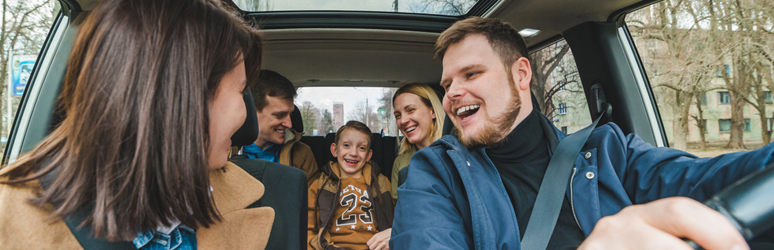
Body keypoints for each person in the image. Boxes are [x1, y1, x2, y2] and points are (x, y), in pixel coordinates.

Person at [390, 16, 774, 250]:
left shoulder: (608, 150)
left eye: (471, 74)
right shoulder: (433, 172)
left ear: (521, 74)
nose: (452, 92)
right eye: (447, 84)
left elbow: (714, 177)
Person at [0, 0, 274, 249]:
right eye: (241, 90)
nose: (245, 114)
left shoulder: (245, 195)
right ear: (182, 97)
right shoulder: (10, 214)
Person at [308, 121, 394, 250]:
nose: (353, 153)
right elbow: (309, 229)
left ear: (368, 155)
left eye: (362, 148)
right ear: (335, 150)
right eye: (347, 145)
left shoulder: (382, 183)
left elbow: (395, 220)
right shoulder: (319, 185)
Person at [244, 69, 319, 185]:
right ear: (251, 112)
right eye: (279, 115)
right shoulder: (223, 152)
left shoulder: (301, 154)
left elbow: (309, 200)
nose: (289, 124)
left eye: (291, 114)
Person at [390, 82, 444, 200]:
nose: (403, 120)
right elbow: (398, 208)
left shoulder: (455, 151)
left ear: (433, 111)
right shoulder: (400, 163)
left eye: (410, 110)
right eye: (398, 115)